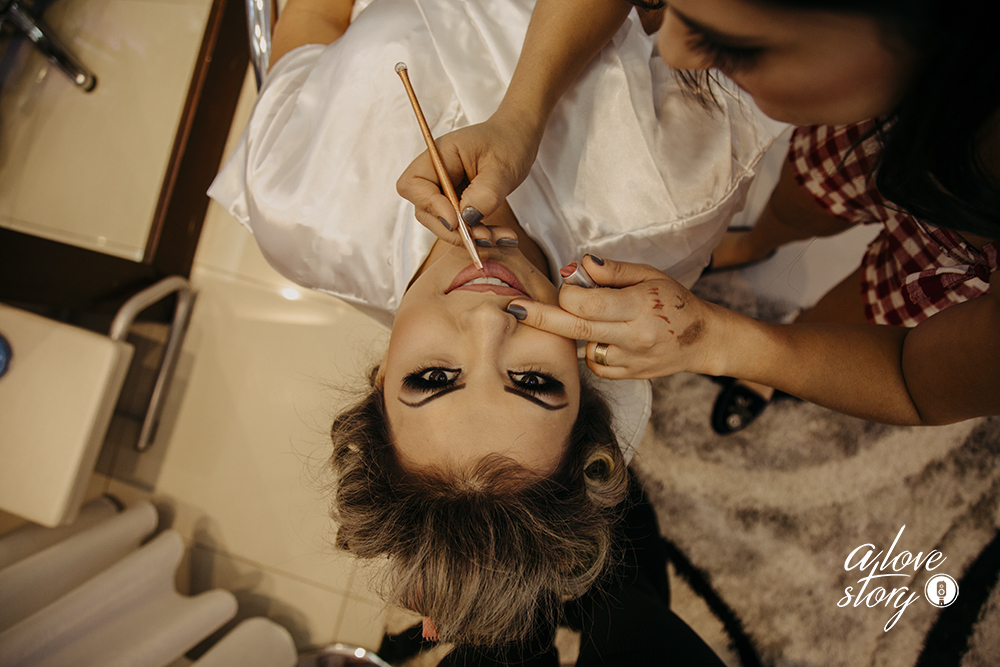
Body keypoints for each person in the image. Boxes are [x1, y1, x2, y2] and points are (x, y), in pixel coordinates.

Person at [208, 0, 780, 653]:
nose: (487, 320)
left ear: (381, 377)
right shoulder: (670, 199)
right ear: (584, 382)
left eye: (434, 377)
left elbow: (313, 20)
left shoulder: (299, 213)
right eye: (532, 380)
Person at [398, 0, 999, 429]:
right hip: (878, 138)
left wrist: (730, 345)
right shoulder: (863, 103)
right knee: (807, 194)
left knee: (872, 308)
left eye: (736, 44)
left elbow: (912, 377)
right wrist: (518, 117)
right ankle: (759, 241)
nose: (668, 49)